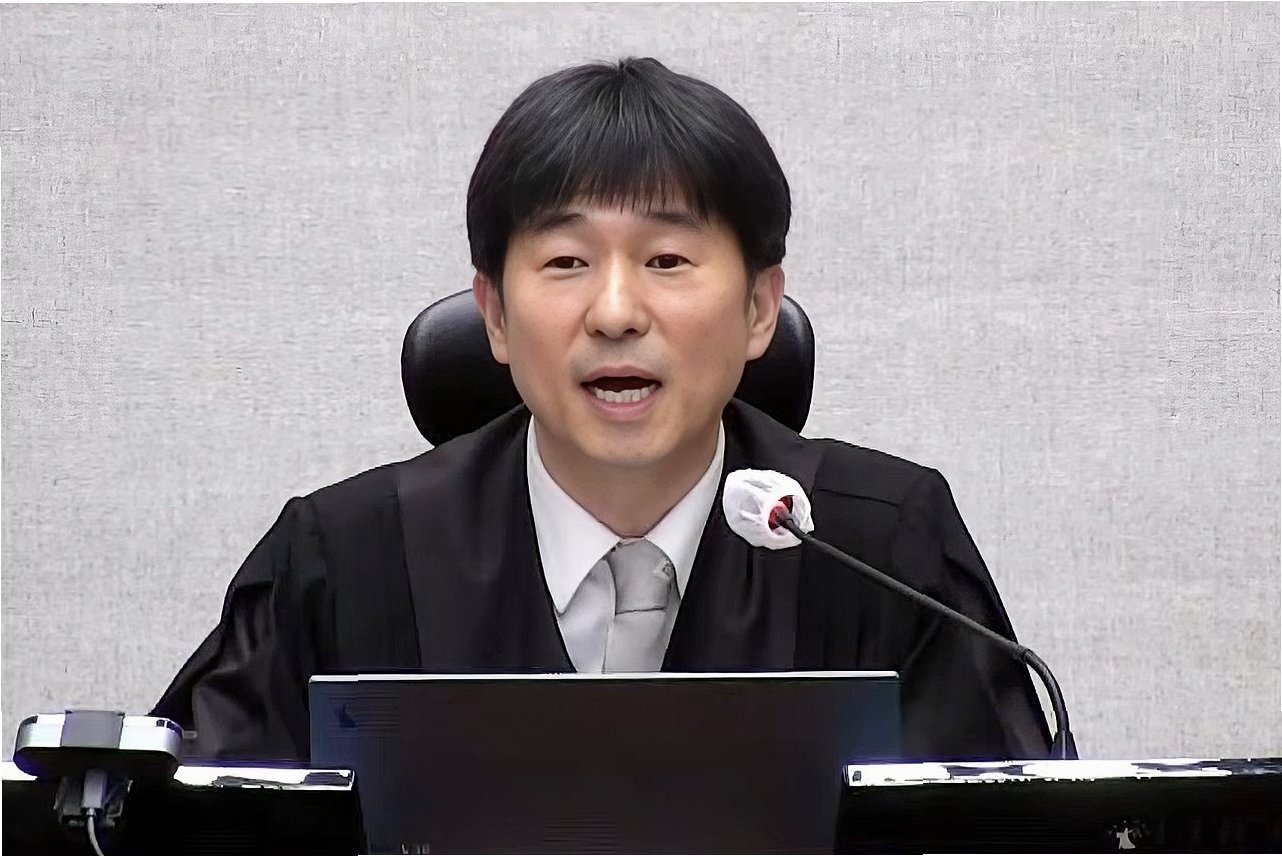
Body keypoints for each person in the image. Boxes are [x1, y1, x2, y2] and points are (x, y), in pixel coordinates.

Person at [153, 57, 1052, 764]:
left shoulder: (878, 553)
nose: (615, 312)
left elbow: (998, 833)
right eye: (566, 263)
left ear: (759, 308)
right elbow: (184, 824)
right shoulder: (347, 562)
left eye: (667, 261)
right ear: (495, 314)